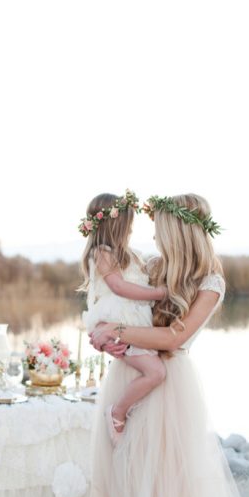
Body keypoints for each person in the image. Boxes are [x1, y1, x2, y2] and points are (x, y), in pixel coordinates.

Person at [85, 193, 249, 497]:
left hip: (169, 383)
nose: (153, 235)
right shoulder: (155, 268)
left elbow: (175, 337)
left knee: (165, 475)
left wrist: (115, 330)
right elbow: (118, 301)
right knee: (121, 471)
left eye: (159, 228)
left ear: (178, 230)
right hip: (130, 373)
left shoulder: (210, 282)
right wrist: (104, 333)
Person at [79, 190, 167, 444]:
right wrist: (158, 293)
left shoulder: (127, 253)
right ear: (116, 224)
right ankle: (117, 411)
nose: (130, 230)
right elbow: (119, 287)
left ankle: (129, 411)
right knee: (156, 373)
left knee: (154, 371)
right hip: (118, 318)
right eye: (127, 225)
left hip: (131, 322)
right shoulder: (102, 252)